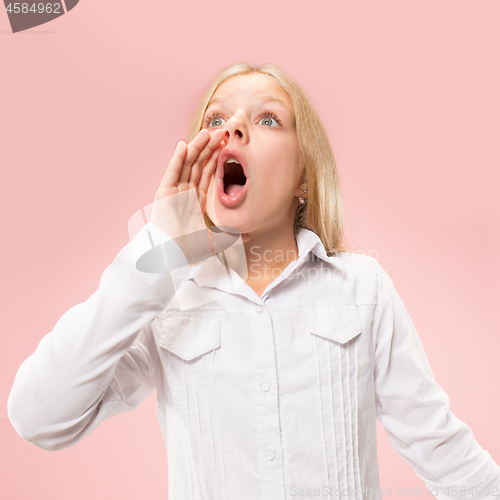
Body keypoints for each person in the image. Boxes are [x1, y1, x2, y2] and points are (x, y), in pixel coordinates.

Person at [7, 62, 500, 500]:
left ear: (305, 175)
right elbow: (40, 417)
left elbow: (443, 451)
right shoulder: (166, 297)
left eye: (267, 120)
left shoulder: (362, 288)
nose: (233, 129)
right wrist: (159, 253)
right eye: (215, 119)